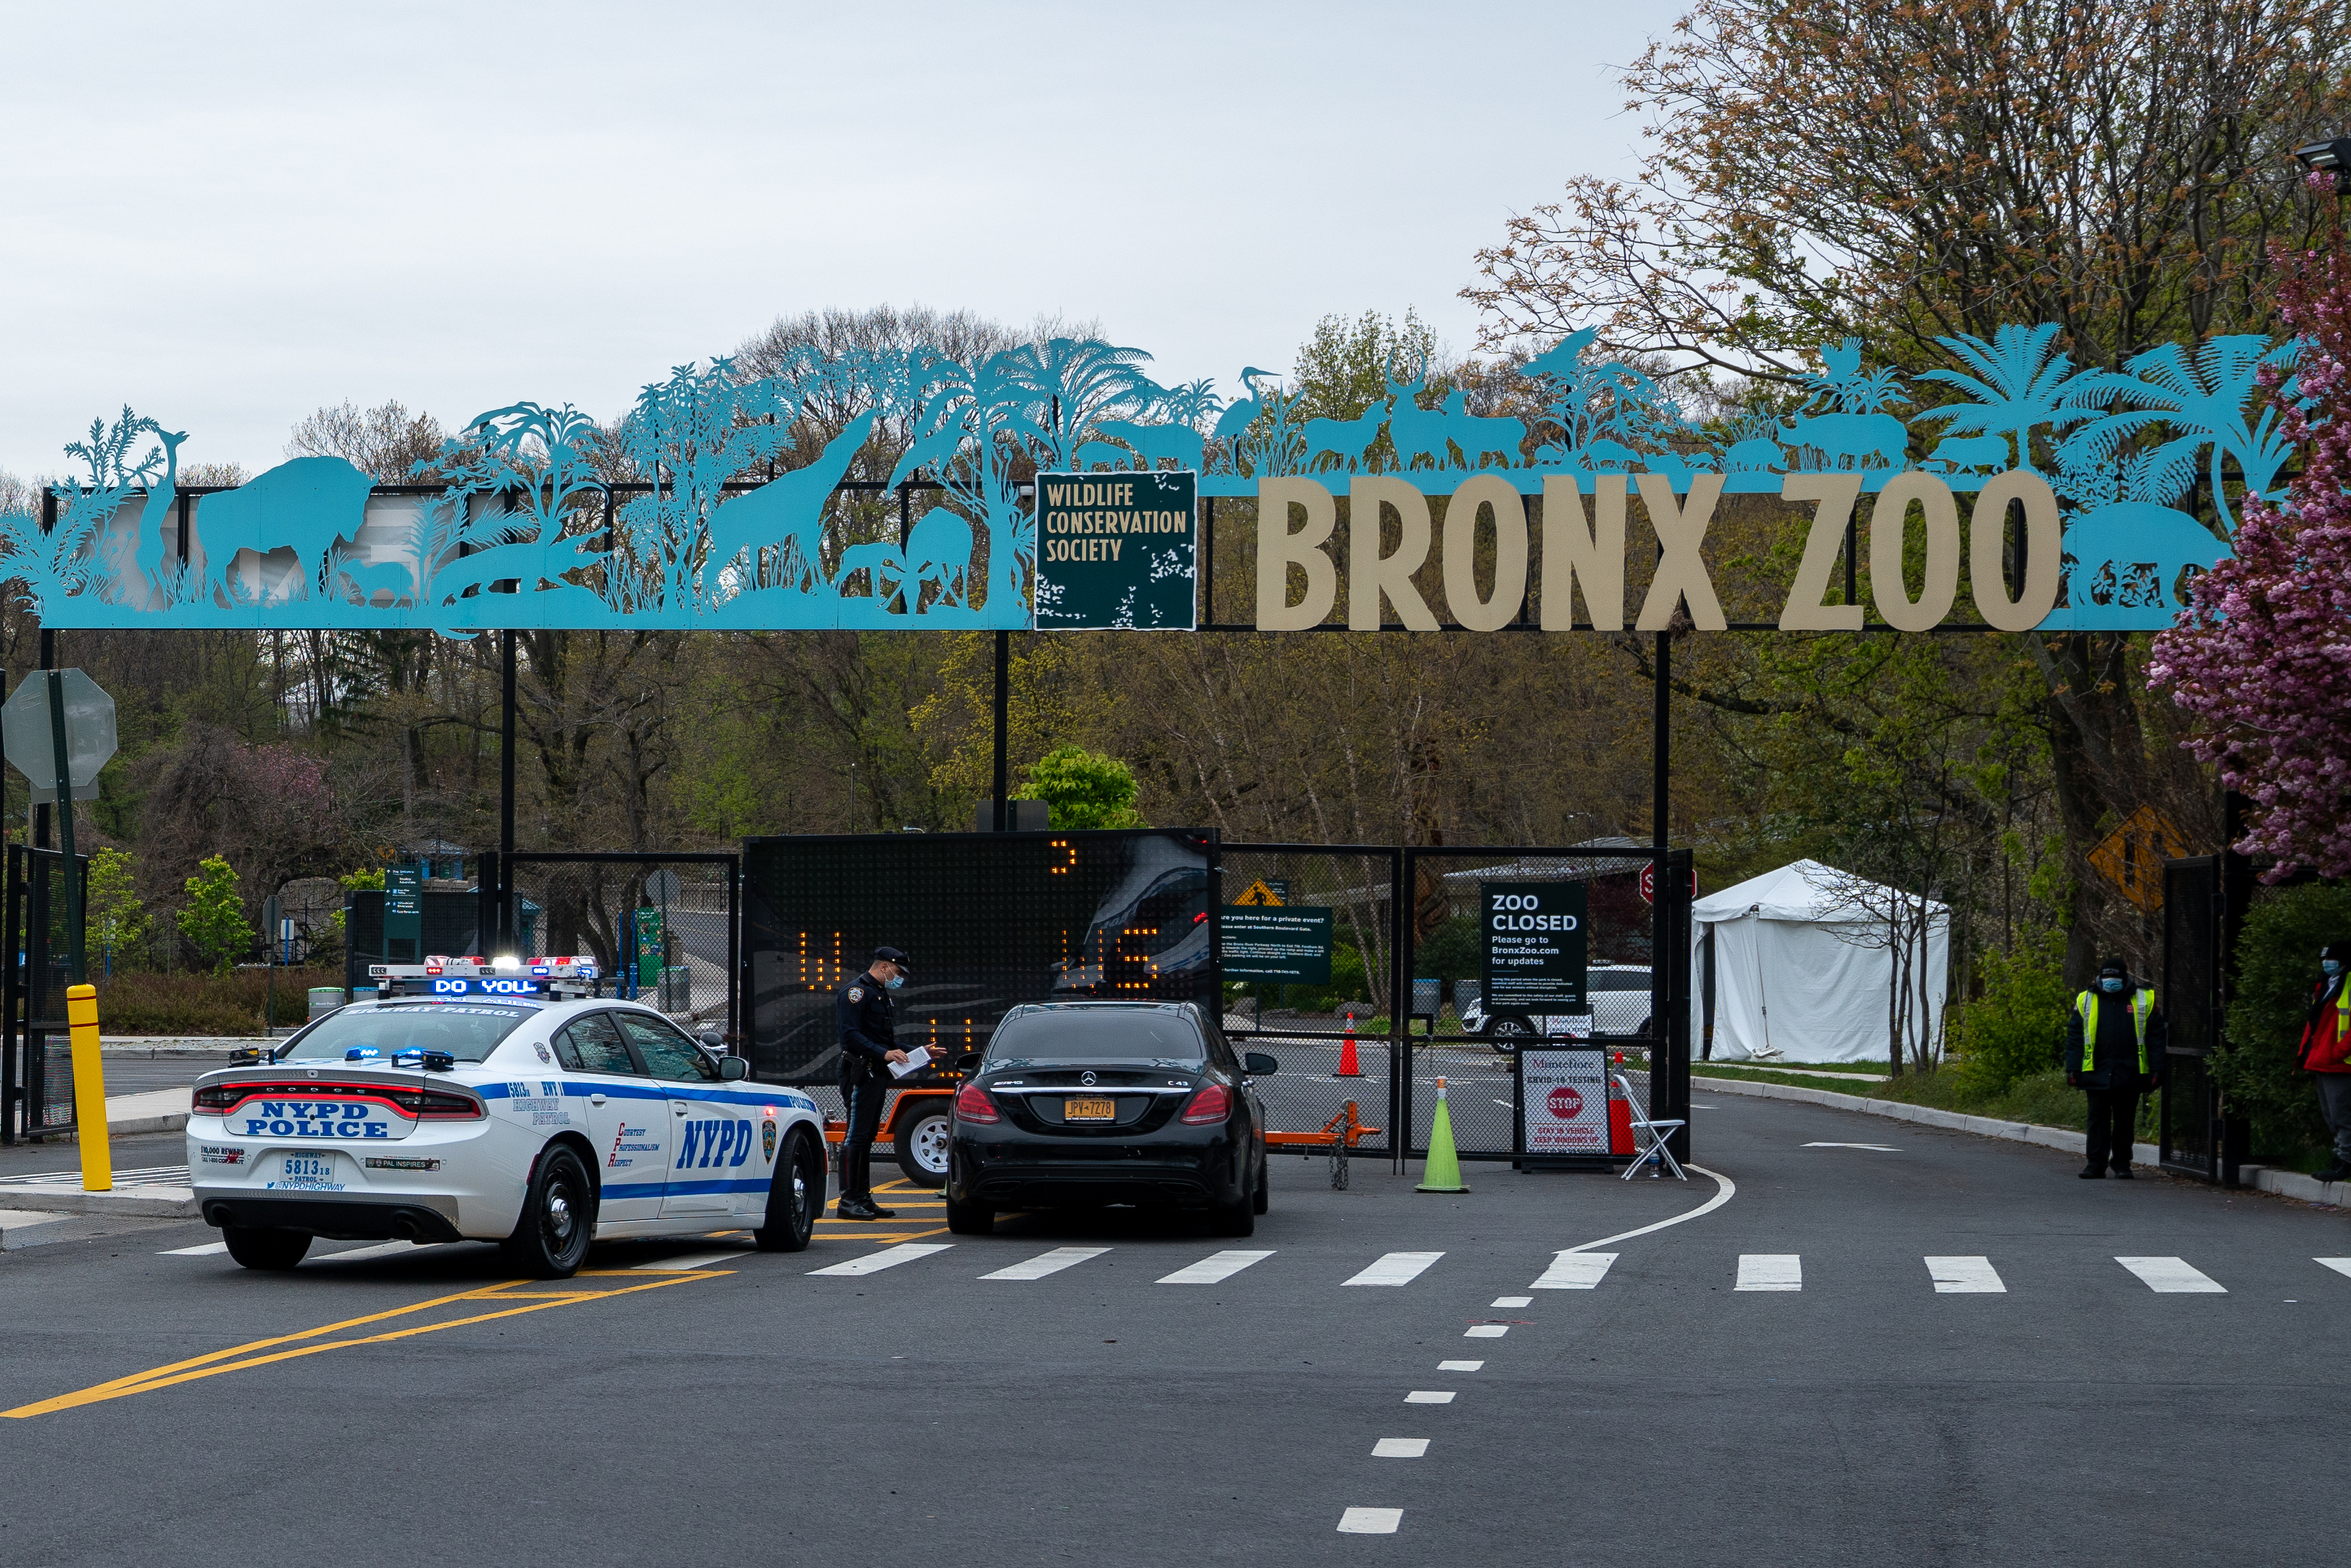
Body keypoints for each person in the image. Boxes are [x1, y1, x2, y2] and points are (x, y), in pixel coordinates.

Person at [2065, 956, 2166, 1179]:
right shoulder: (2086, 999)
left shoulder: (2144, 998)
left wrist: (2157, 1069)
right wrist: (2072, 1069)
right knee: (2097, 1119)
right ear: (2100, 978)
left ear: (2125, 977)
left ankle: (2122, 1164)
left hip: (2130, 1070)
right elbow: (2075, 1037)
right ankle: (2095, 1164)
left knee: (2124, 1120)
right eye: (2107, 977)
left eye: (2115, 978)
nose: (2111, 982)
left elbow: (2156, 1037)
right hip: (2096, 1070)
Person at [834, 945, 913, 1220]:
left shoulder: (880, 994)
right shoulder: (856, 993)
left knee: (867, 1136)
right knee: (856, 1135)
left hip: (876, 1073)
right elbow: (851, 1037)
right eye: (898, 971)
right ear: (884, 966)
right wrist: (883, 1053)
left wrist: (919, 1052)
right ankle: (847, 1201)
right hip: (859, 1072)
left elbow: (886, 1043)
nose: (899, 976)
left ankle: (863, 1197)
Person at [2295, 940, 2351, 1184]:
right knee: (2333, 1116)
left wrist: (2335, 1053)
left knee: (2342, 1116)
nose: (2327, 964)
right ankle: (2341, 1159)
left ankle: (2345, 1162)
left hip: (2340, 1062)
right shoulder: (2328, 984)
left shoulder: (2343, 985)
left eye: (2332, 960)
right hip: (2324, 1061)